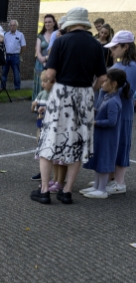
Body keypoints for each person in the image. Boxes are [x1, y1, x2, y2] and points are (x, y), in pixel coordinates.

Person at [31, 7, 107, 205]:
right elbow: (103, 78)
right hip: (85, 95)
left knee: (49, 140)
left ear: (69, 24)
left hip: (62, 92)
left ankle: (45, 190)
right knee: (78, 142)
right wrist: (90, 89)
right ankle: (67, 191)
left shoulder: (62, 41)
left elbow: (49, 74)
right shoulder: (96, 44)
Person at [81, 69, 129, 199]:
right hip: (101, 136)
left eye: (106, 80)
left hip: (108, 138)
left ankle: (102, 189)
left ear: (113, 84)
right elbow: (103, 112)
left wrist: (95, 122)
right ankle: (97, 186)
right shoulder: (107, 96)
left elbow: (112, 121)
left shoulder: (114, 101)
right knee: (98, 159)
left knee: (104, 160)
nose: (102, 83)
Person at [102, 30, 136, 194]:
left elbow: (129, 92)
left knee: (121, 144)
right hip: (113, 111)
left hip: (124, 114)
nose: (112, 50)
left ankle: (120, 182)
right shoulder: (117, 65)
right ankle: (110, 178)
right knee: (112, 144)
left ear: (126, 46)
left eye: (115, 47)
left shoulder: (132, 67)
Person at [33, 15, 57, 101]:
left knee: (51, 83)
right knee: (41, 84)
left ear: (54, 23)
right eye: (46, 22)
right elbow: (38, 51)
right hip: (40, 63)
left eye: (49, 22)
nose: (47, 24)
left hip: (53, 63)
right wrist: (42, 60)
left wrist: (47, 59)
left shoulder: (57, 35)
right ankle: (38, 104)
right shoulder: (40, 36)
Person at [1, 20, 26, 90]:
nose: (12, 27)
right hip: (6, 56)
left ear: (16, 26)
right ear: (9, 26)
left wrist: (19, 54)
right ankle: (2, 87)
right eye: (11, 25)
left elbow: (23, 46)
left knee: (16, 72)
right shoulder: (5, 34)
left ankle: (17, 88)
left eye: (13, 25)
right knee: (4, 72)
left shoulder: (20, 35)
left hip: (15, 56)